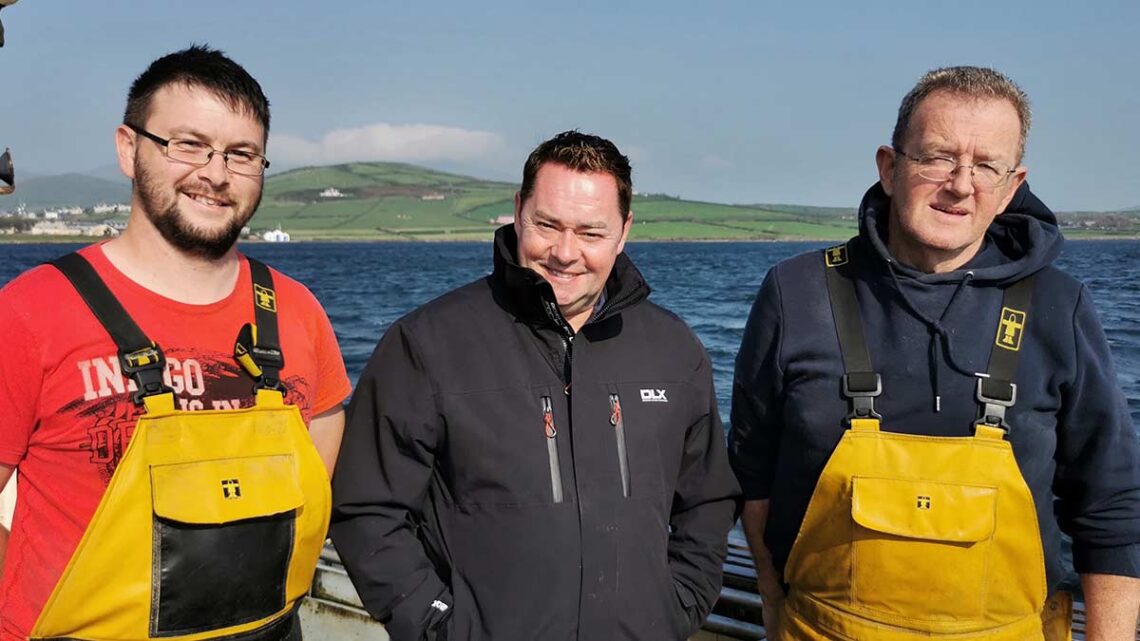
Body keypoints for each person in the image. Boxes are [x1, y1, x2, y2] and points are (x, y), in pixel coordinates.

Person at [730, 66, 1140, 641]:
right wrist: (773, 604)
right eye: (937, 157)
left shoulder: (1060, 307)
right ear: (889, 167)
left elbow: (1112, 504)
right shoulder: (797, 292)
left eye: (986, 166)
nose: (961, 183)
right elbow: (753, 474)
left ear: (1012, 186)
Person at [331, 130, 740, 641]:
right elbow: (366, 507)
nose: (565, 253)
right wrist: (437, 624)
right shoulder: (427, 345)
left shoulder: (674, 351)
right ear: (518, 209)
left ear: (624, 231)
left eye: (591, 233)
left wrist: (678, 605)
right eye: (547, 225)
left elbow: (708, 499)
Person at [0, 46, 351, 641]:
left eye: (241, 155)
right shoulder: (29, 313)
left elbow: (312, 488)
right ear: (128, 148)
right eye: (187, 145)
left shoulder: (297, 311)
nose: (215, 174)